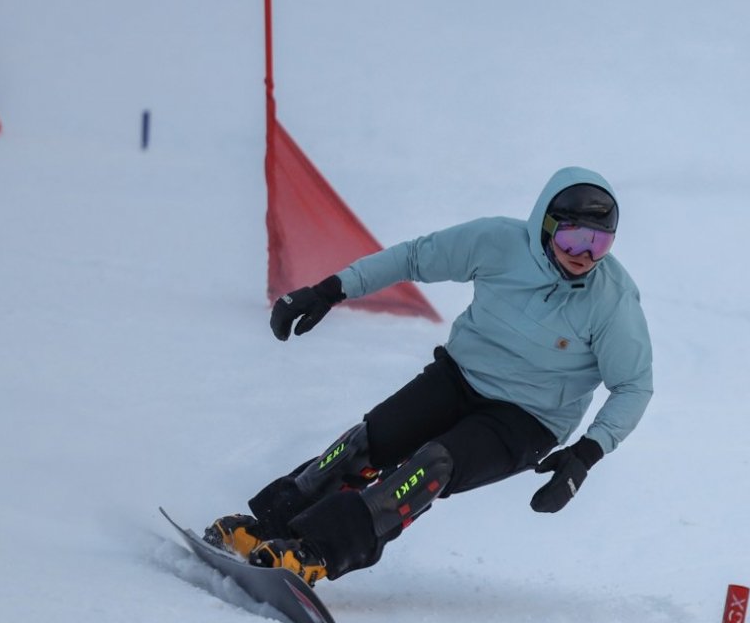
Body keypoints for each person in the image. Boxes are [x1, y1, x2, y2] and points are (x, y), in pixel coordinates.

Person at [204, 166, 654, 586]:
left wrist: (586, 454)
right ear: (545, 225)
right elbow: (415, 258)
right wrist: (329, 289)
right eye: (574, 239)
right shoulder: (497, 243)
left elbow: (633, 385)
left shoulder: (612, 301)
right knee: (364, 444)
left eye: (599, 244)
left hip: (529, 419)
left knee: (429, 467)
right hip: (460, 376)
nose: (584, 255)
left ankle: (314, 553)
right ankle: (268, 526)